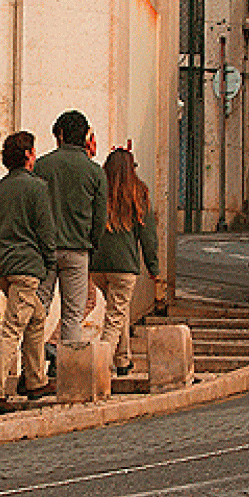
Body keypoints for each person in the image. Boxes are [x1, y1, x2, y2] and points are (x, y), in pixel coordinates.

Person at [0, 132, 57, 413]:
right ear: (27, 156)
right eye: (33, 152)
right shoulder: (37, 188)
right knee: (12, 328)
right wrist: (49, 261)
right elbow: (45, 230)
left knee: (36, 317)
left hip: (2, 267)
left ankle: (36, 380)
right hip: (26, 267)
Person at [34, 110, 108, 350]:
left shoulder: (42, 166)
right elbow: (100, 217)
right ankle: (67, 370)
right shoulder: (95, 171)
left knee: (37, 310)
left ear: (61, 135)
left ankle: (32, 369)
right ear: (86, 136)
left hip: (45, 250)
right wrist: (92, 244)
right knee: (73, 315)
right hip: (78, 249)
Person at [89, 148, 160, 378]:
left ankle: (123, 360)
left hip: (98, 266)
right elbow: (147, 235)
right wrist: (153, 267)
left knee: (120, 309)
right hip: (124, 267)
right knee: (114, 318)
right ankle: (100, 368)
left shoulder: (99, 191)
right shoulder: (139, 193)